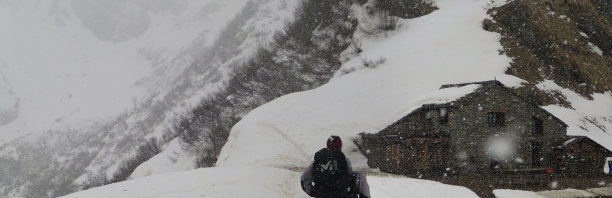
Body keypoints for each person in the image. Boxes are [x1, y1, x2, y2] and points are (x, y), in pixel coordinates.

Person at [300, 135, 370, 198]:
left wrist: (313, 192)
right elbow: (362, 183)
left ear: (327, 145)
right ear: (340, 146)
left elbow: (304, 178)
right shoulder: (348, 162)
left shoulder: (318, 161)